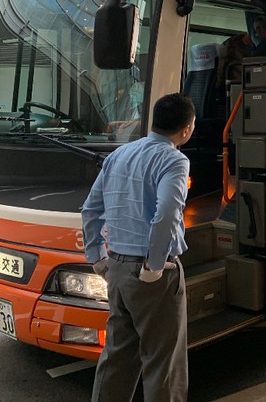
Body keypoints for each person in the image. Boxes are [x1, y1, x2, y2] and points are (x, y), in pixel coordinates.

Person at [81, 93, 195, 402]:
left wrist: (97, 258)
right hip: (152, 274)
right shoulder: (174, 159)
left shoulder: (120, 154)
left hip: (116, 267)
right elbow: (167, 212)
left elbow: (90, 210)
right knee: (163, 364)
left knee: (117, 356)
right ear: (186, 129)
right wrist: (155, 266)